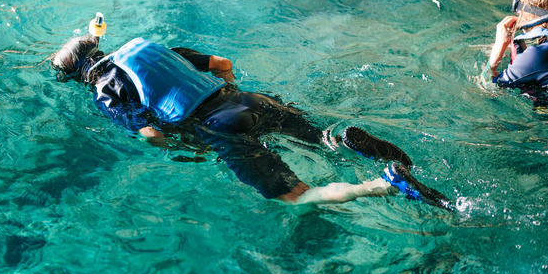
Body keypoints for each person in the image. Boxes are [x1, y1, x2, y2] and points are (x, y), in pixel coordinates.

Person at [52, 32, 452, 210]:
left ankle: (385, 184)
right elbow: (223, 64)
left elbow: (150, 135)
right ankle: (341, 139)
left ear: (77, 75)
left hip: (214, 127)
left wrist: (185, 150)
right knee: (319, 138)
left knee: (294, 198)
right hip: (243, 98)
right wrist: (233, 96)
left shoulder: (105, 90)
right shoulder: (150, 47)